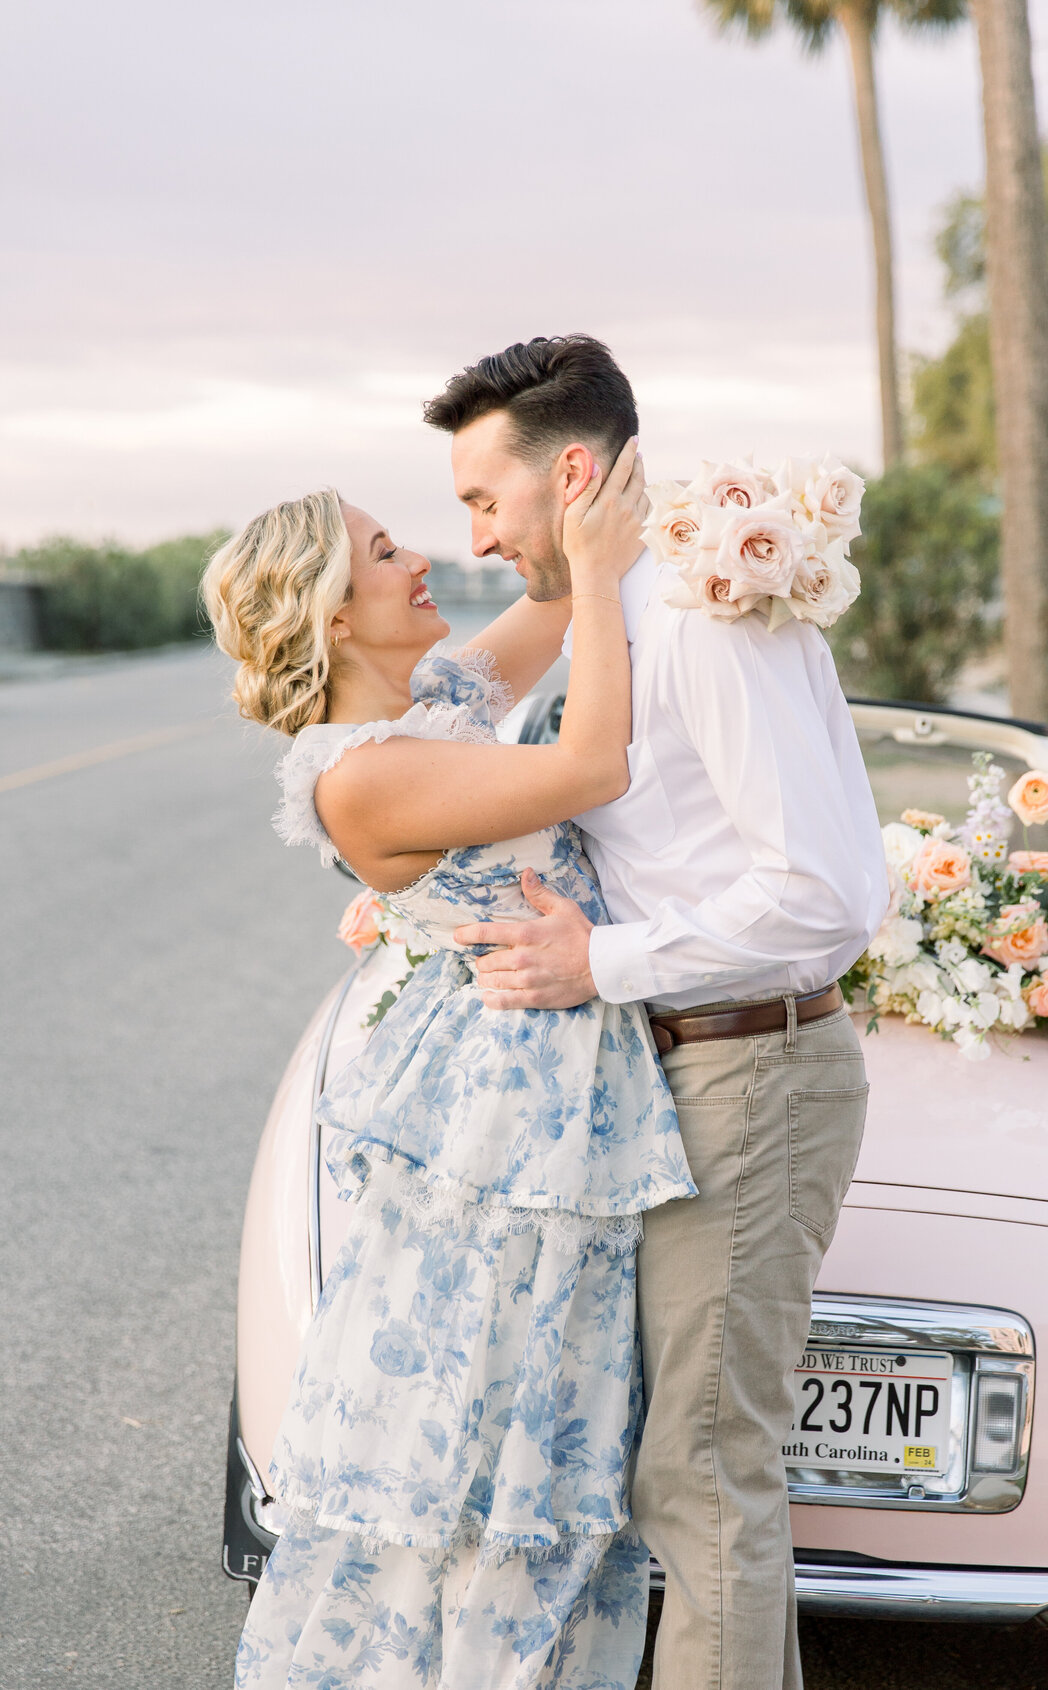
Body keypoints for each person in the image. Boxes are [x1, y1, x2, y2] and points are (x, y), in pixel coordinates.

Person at [429, 334, 889, 1690]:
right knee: (692, 1467)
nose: (472, 532)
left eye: (480, 498)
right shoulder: (618, 618)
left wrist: (602, 963)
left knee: (701, 1469)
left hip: (756, 1067)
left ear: (571, 474)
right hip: (689, 1072)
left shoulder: (693, 618)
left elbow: (823, 896)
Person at [202, 440, 696, 1689]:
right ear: (329, 611)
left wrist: (588, 490)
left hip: (562, 1065)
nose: (422, 554)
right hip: (506, 1110)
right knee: (488, 1434)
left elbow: (544, 604)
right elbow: (591, 765)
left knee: (552, 1416)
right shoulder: (362, 778)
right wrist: (589, 569)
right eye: (384, 552)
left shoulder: (436, 698)